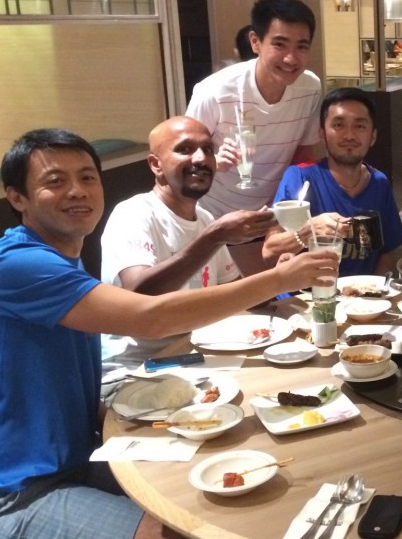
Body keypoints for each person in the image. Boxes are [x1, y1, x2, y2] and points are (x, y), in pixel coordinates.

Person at [0, 128, 335, 539]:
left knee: (202, 481)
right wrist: (280, 278)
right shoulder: (14, 264)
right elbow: (148, 317)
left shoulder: (58, 258)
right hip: (5, 493)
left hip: (66, 463)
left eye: (87, 177)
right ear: (16, 197)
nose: (77, 191)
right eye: (55, 181)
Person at [100, 117, 276, 366]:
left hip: (196, 359)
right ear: (156, 165)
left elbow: (238, 295)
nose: (201, 159)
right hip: (138, 368)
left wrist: (282, 273)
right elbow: (139, 296)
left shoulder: (204, 218)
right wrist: (214, 237)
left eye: (208, 149)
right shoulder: (133, 213)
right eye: (185, 149)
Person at [186, 0, 322, 274]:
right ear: (255, 42)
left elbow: (303, 153)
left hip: (270, 218)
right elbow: (184, 158)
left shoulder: (310, 88)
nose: (291, 58)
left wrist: (290, 208)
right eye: (280, 44)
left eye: (301, 46)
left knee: (274, 293)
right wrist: (213, 161)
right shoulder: (215, 90)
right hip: (215, 221)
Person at [263, 87, 402, 275]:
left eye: (359, 126)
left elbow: (385, 253)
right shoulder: (299, 177)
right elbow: (269, 251)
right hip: (307, 292)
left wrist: (376, 288)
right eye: (338, 125)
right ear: (322, 133)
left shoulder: (379, 183)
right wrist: (309, 230)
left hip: (362, 293)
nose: (349, 135)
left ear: (373, 136)